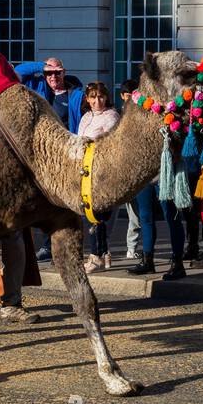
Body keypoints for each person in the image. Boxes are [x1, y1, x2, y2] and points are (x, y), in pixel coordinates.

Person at [17, 56, 85, 261]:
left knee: (66, 202)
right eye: (49, 73)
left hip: (66, 156)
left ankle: (63, 246)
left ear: (64, 73)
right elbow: (18, 72)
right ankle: (47, 246)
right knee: (41, 202)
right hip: (42, 156)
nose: (53, 77)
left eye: (57, 72)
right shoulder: (38, 87)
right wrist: (41, 66)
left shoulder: (75, 95)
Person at [78, 82, 119, 273]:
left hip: (102, 170)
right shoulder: (86, 116)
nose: (97, 101)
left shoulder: (111, 115)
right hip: (86, 168)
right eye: (93, 97)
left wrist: (90, 142)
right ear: (87, 99)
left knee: (97, 214)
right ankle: (103, 253)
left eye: (101, 97)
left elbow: (108, 140)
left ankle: (96, 255)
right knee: (90, 213)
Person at [118, 79, 142, 260]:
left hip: (140, 168)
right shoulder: (118, 115)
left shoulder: (142, 113)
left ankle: (133, 247)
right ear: (122, 96)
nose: (131, 99)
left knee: (140, 213)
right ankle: (131, 247)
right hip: (124, 169)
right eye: (128, 96)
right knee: (132, 212)